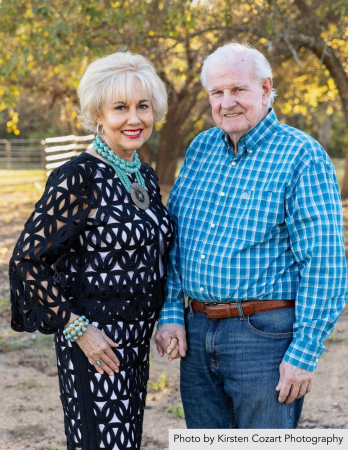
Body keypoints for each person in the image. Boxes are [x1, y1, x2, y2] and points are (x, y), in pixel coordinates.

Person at [155, 42, 347, 429]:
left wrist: (304, 352)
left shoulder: (302, 156)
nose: (227, 102)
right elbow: (175, 243)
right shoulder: (200, 149)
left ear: (265, 88)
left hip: (264, 338)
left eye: (238, 89)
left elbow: (324, 263)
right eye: (217, 92)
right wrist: (172, 313)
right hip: (196, 331)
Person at [9, 52, 173, 450]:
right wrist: (77, 329)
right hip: (95, 345)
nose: (134, 119)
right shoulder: (78, 177)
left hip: (134, 344)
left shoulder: (145, 177)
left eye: (143, 106)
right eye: (120, 108)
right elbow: (27, 261)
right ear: (98, 115)